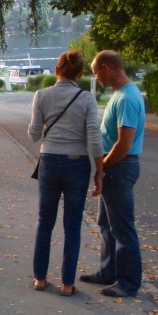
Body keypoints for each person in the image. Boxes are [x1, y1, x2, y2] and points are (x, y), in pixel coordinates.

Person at [28, 51, 104, 296]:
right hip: (77, 164)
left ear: (57, 70)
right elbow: (94, 137)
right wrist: (99, 171)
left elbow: (33, 134)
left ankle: (40, 279)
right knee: (72, 226)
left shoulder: (41, 95)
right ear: (80, 73)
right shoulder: (87, 99)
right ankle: (67, 284)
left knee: (44, 222)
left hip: (48, 161)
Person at [80, 50, 146, 298]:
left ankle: (128, 282)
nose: (95, 77)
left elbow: (124, 143)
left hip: (119, 167)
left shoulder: (127, 98)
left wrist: (103, 166)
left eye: (96, 71)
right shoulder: (121, 95)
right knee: (106, 223)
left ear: (106, 68)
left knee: (122, 227)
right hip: (115, 166)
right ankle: (108, 271)